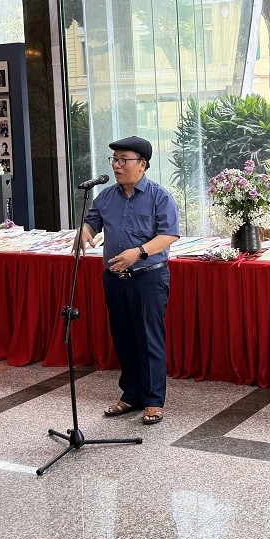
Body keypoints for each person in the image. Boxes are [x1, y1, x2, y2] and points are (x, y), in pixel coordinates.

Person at [79, 136, 180, 426]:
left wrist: (139, 252)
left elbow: (169, 234)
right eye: (114, 160)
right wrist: (84, 231)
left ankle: (153, 400)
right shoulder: (106, 196)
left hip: (148, 277)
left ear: (142, 164)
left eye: (124, 160)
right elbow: (92, 221)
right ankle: (131, 395)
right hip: (114, 278)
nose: (117, 166)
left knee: (149, 340)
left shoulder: (159, 196)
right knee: (124, 338)